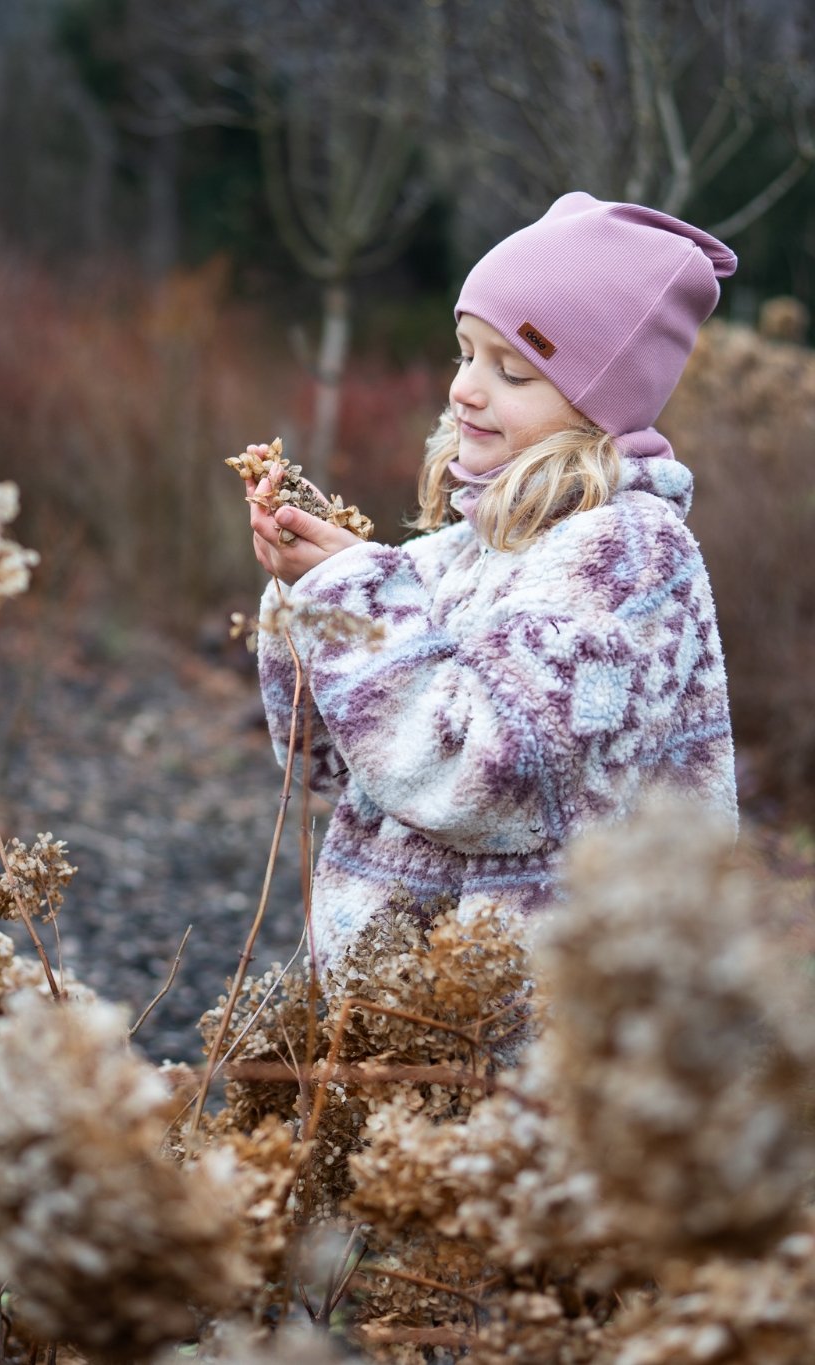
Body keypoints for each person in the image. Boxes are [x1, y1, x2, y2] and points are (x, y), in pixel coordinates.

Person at [245, 192, 738, 970]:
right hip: (399, 1016)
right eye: (465, 354)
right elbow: (325, 761)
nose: (465, 389)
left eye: (512, 370)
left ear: (599, 407)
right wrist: (309, 591)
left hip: (531, 1024)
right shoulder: (460, 555)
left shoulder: (626, 556)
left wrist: (353, 594)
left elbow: (484, 781)